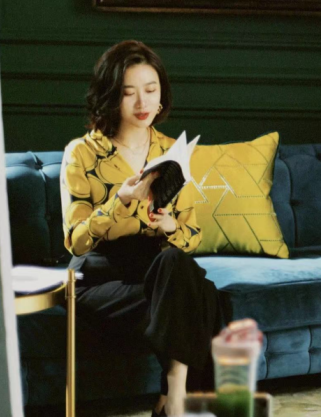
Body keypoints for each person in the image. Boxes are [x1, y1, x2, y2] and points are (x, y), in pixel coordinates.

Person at [60, 40, 225, 417]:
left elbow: (192, 238)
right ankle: (172, 400)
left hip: (157, 271)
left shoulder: (172, 151)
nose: (142, 103)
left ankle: (175, 397)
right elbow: (76, 242)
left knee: (175, 264)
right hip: (99, 276)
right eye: (128, 92)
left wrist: (170, 225)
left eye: (151, 90)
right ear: (110, 96)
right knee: (201, 295)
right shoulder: (82, 152)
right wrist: (118, 202)